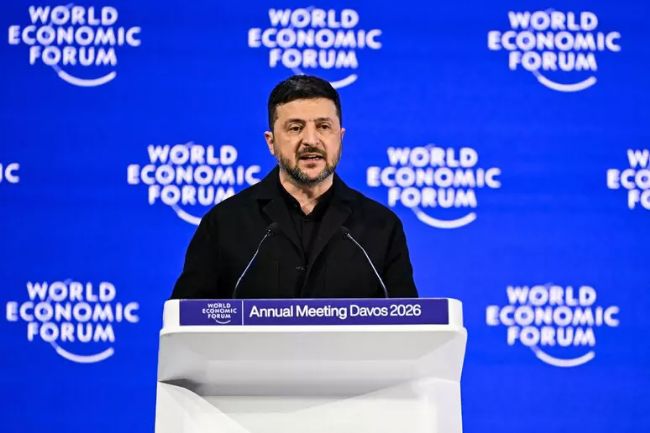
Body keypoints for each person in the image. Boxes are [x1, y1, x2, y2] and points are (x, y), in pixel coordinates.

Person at [171, 75, 417, 299]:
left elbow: (407, 322)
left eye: (323, 126)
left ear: (340, 137)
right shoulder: (224, 223)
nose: (310, 140)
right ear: (271, 142)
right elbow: (187, 321)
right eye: (295, 128)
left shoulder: (381, 226)